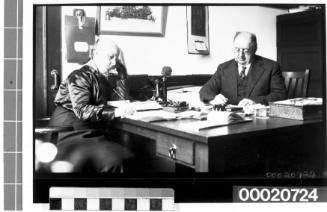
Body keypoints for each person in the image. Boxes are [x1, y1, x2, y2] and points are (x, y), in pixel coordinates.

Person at [48, 39, 135, 173]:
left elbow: (121, 99)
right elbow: (82, 110)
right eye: (111, 57)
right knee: (112, 160)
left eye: (116, 58)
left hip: (89, 130)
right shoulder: (79, 75)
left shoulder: (100, 77)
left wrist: (122, 71)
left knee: (128, 154)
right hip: (71, 130)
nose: (114, 62)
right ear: (95, 54)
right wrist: (116, 112)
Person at [199, 31, 286, 107]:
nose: (240, 55)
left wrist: (255, 102)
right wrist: (214, 98)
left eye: (245, 50)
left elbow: (280, 95)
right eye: (237, 50)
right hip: (230, 119)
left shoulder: (271, 67)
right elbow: (205, 90)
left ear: (254, 49)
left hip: (257, 119)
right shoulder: (223, 68)